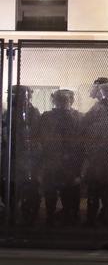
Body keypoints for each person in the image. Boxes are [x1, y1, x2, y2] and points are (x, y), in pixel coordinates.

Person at [40, 89, 83, 227]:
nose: (63, 103)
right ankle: (51, 217)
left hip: (71, 160)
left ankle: (71, 216)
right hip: (52, 159)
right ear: (55, 101)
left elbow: (81, 139)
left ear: (71, 101)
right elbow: (42, 136)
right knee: (51, 190)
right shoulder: (47, 117)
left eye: (65, 100)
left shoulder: (78, 116)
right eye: (59, 100)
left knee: (71, 190)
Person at [80, 78, 108, 227]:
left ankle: (107, 218)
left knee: (106, 188)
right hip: (96, 154)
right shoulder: (98, 108)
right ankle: (95, 218)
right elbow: (84, 124)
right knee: (95, 187)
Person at [8, 85, 41, 226]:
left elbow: (36, 133)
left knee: (30, 187)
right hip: (11, 155)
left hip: (29, 155)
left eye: (20, 95)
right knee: (11, 186)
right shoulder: (9, 111)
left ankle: (29, 217)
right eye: (14, 95)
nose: (16, 98)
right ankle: (12, 215)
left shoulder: (32, 112)